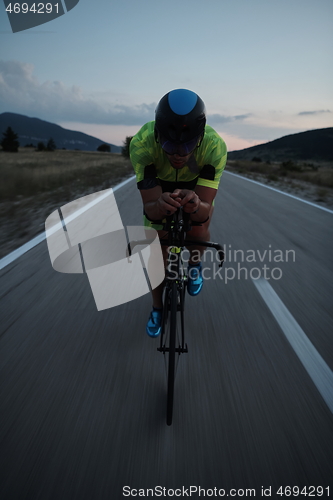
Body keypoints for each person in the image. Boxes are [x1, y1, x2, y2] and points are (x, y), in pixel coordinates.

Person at [130, 88, 227, 337]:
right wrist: (158, 206)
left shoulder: (214, 147)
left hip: (195, 185)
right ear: (157, 134)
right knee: (156, 248)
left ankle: (194, 264)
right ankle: (157, 308)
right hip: (159, 185)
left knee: (199, 224)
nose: (177, 154)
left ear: (200, 137)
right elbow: (151, 210)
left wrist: (194, 205)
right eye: (168, 144)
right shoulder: (142, 143)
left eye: (187, 146)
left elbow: (203, 210)